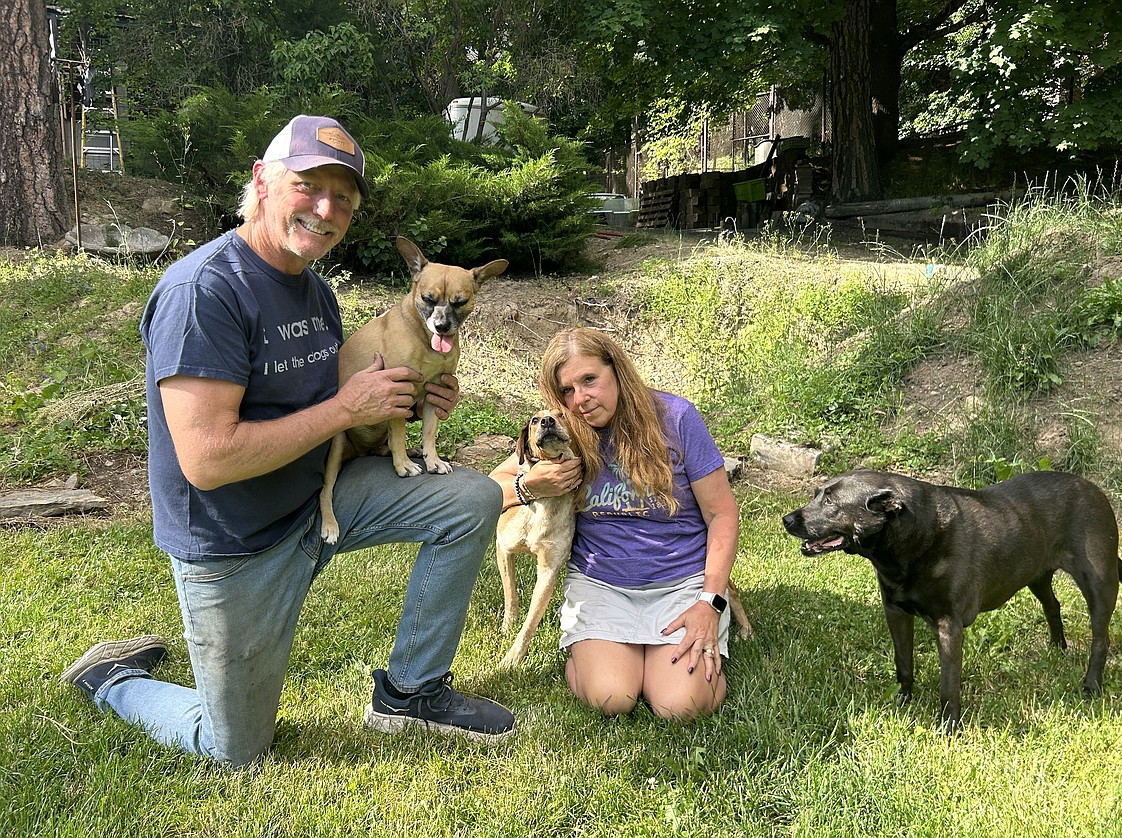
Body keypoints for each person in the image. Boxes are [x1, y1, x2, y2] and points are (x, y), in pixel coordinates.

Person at [60, 115, 514, 766]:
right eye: (308, 185)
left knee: (470, 500)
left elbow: (337, 408)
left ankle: (410, 693)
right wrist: (342, 410)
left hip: (318, 499)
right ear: (263, 182)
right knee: (234, 750)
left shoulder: (316, 295)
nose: (327, 210)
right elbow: (209, 460)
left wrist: (412, 405)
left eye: (345, 202)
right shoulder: (204, 292)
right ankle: (115, 679)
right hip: (236, 546)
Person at [489, 327, 739, 721]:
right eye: (567, 391)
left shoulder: (676, 418)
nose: (581, 399)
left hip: (681, 583)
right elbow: (490, 490)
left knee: (680, 706)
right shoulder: (568, 430)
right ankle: (609, 656)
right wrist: (528, 484)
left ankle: (673, 656)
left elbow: (722, 514)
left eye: (589, 380)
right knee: (612, 697)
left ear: (617, 370)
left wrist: (711, 602)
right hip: (601, 585)